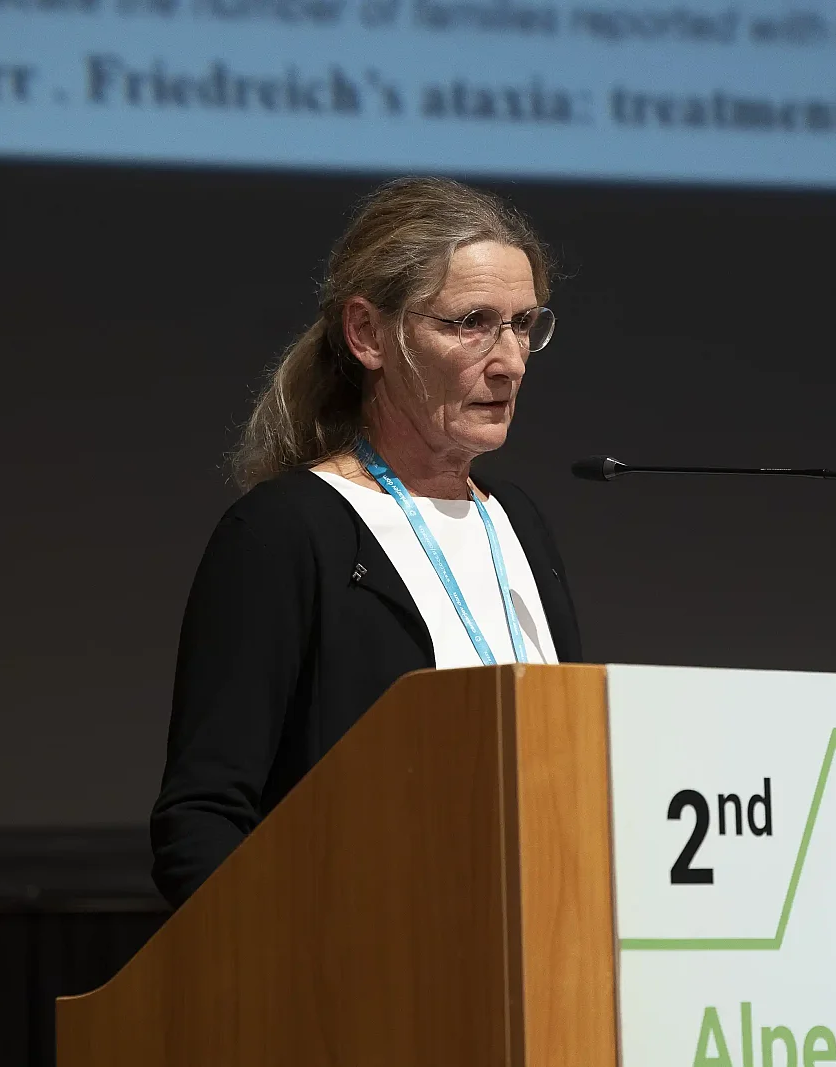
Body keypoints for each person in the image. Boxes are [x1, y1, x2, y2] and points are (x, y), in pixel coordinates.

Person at [149, 177, 582, 907]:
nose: (509, 360)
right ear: (368, 335)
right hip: (360, 958)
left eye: (522, 324)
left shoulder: (519, 523)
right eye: (472, 323)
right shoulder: (286, 533)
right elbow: (203, 819)